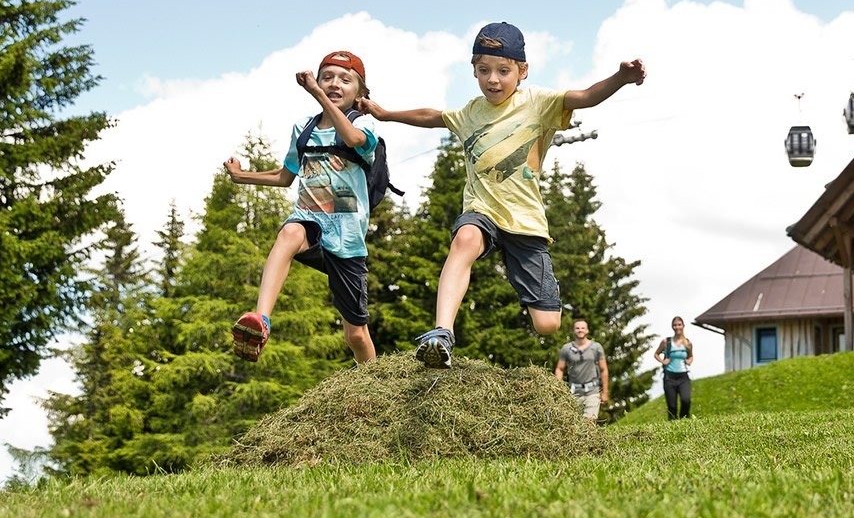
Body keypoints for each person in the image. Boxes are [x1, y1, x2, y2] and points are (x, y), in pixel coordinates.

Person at [359, 21, 646, 368]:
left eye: (503, 71)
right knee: (465, 238)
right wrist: (385, 114)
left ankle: (517, 273)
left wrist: (620, 78)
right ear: (474, 70)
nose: (493, 80)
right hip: (483, 211)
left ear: (522, 71)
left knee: (547, 324)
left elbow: (585, 97)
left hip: (525, 222)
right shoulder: (469, 113)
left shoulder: (539, 103)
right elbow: (432, 116)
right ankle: (441, 333)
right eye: (484, 71)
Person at [226, 50, 381, 364]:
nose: (334, 84)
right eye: (327, 77)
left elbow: (350, 139)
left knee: (355, 335)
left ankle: (374, 380)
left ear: (360, 93)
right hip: (310, 220)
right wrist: (241, 176)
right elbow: (285, 176)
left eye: (345, 79)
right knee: (289, 233)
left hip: (346, 237)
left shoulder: (365, 129)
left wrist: (317, 93)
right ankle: (261, 320)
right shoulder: (304, 130)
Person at [555, 319, 609, 421]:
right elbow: (559, 369)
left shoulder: (596, 347)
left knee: (589, 424)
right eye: (577, 328)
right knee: (575, 425)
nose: (580, 330)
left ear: (587, 330)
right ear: (573, 331)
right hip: (574, 393)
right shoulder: (566, 349)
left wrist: (605, 392)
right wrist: (558, 388)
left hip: (592, 392)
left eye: (583, 328)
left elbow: (603, 369)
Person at [656, 317, 694, 420]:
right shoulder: (666, 342)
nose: (677, 327)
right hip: (669, 377)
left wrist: (689, 361)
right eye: (675, 325)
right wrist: (663, 361)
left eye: (679, 324)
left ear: (683, 326)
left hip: (683, 377)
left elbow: (690, 356)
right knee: (672, 406)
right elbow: (656, 354)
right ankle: (672, 426)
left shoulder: (688, 343)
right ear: (672, 327)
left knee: (686, 400)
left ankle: (684, 420)